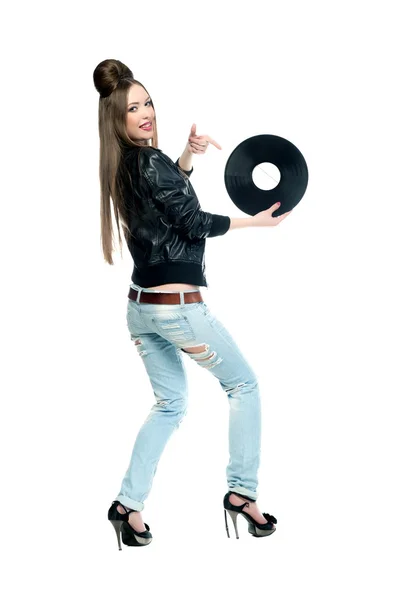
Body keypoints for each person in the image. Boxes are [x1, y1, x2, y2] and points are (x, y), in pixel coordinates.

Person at [93, 59, 292, 549]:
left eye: (147, 103)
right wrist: (254, 222)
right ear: (115, 117)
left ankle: (127, 505)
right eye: (131, 108)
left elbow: (163, 204)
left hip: (141, 309)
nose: (145, 113)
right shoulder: (147, 160)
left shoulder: (123, 162)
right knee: (243, 384)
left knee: (171, 404)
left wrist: (184, 158)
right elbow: (191, 221)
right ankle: (242, 494)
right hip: (177, 309)